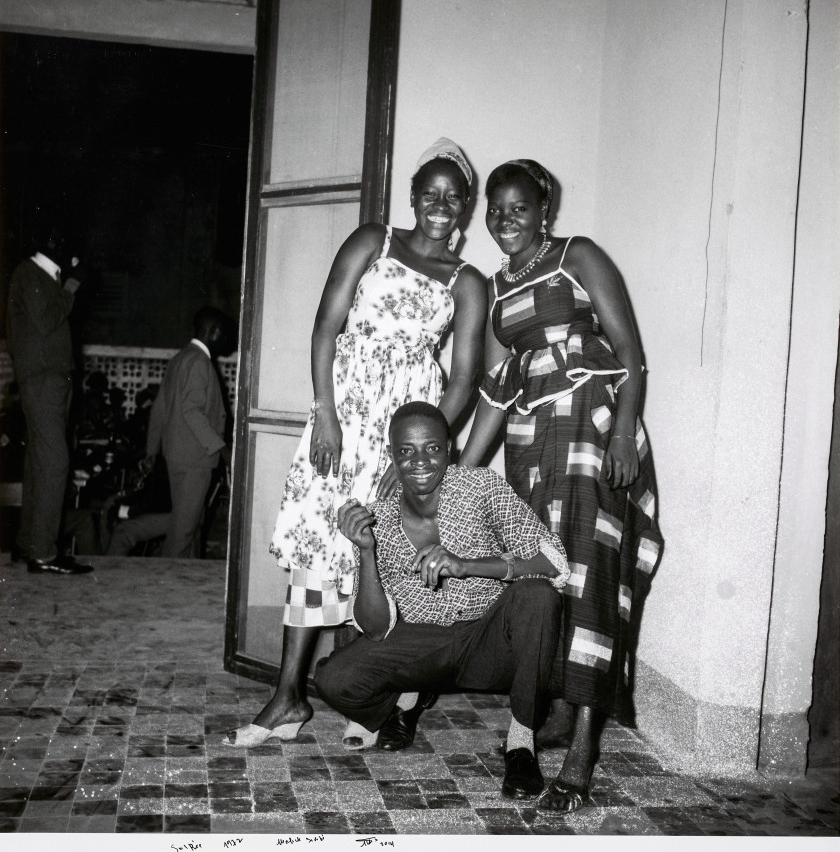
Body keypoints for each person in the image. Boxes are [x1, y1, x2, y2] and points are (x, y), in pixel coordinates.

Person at [223, 139, 486, 749]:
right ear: (414, 196)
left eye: (453, 197)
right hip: (344, 413)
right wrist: (325, 416)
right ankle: (288, 696)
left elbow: (466, 379)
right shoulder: (374, 240)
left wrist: (418, 455)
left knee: (378, 554)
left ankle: (356, 696)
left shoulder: (467, 281)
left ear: (465, 205)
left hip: (406, 431)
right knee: (321, 546)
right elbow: (325, 326)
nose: (440, 205)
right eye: (430, 193)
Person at [460, 159, 663, 813]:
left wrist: (626, 431)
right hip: (530, 449)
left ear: (544, 209)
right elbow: (495, 391)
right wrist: (464, 473)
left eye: (517, 207)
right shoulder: (495, 288)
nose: (504, 219)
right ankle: (551, 711)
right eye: (495, 209)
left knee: (591, 577)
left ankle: (582, 752)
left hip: (588, 431)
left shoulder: (579, 255)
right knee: (546, 577)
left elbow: (629, 351)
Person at [314, 402, 569, 800]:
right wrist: (366, 551)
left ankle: (521, 744)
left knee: (537, 596)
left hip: (489, 639)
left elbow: (553, 562)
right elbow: (377, 627)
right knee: (333, 680)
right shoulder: (376, 518)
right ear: (392, 455)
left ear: (448, 449)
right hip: (424, 644)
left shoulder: (481, 487)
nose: (419, 461)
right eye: (406, 451)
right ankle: (411, 695)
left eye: (431, 448)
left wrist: (467, 565)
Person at [6, 224, 93, 574]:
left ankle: (28, 544)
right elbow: (47, 319)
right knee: (55, 462)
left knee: (40, 463)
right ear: (54, 244)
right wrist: (73, 283)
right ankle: (44, 553)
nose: (75, 256)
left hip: (51, 382)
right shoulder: (30, 273)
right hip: (43, 382)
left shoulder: (42, 277)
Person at [144, 306, 233, 558]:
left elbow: (160, 409)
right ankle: (167, 587)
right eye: (224, 334)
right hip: (195, 459)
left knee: (191, 526)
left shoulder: (180, 359)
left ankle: (186, 583)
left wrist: (151, 451)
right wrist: (221, 448)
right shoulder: (199, 362)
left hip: (177, 456)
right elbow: (191, 412)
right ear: (213, 331)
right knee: (183, 532)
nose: (226, 341)